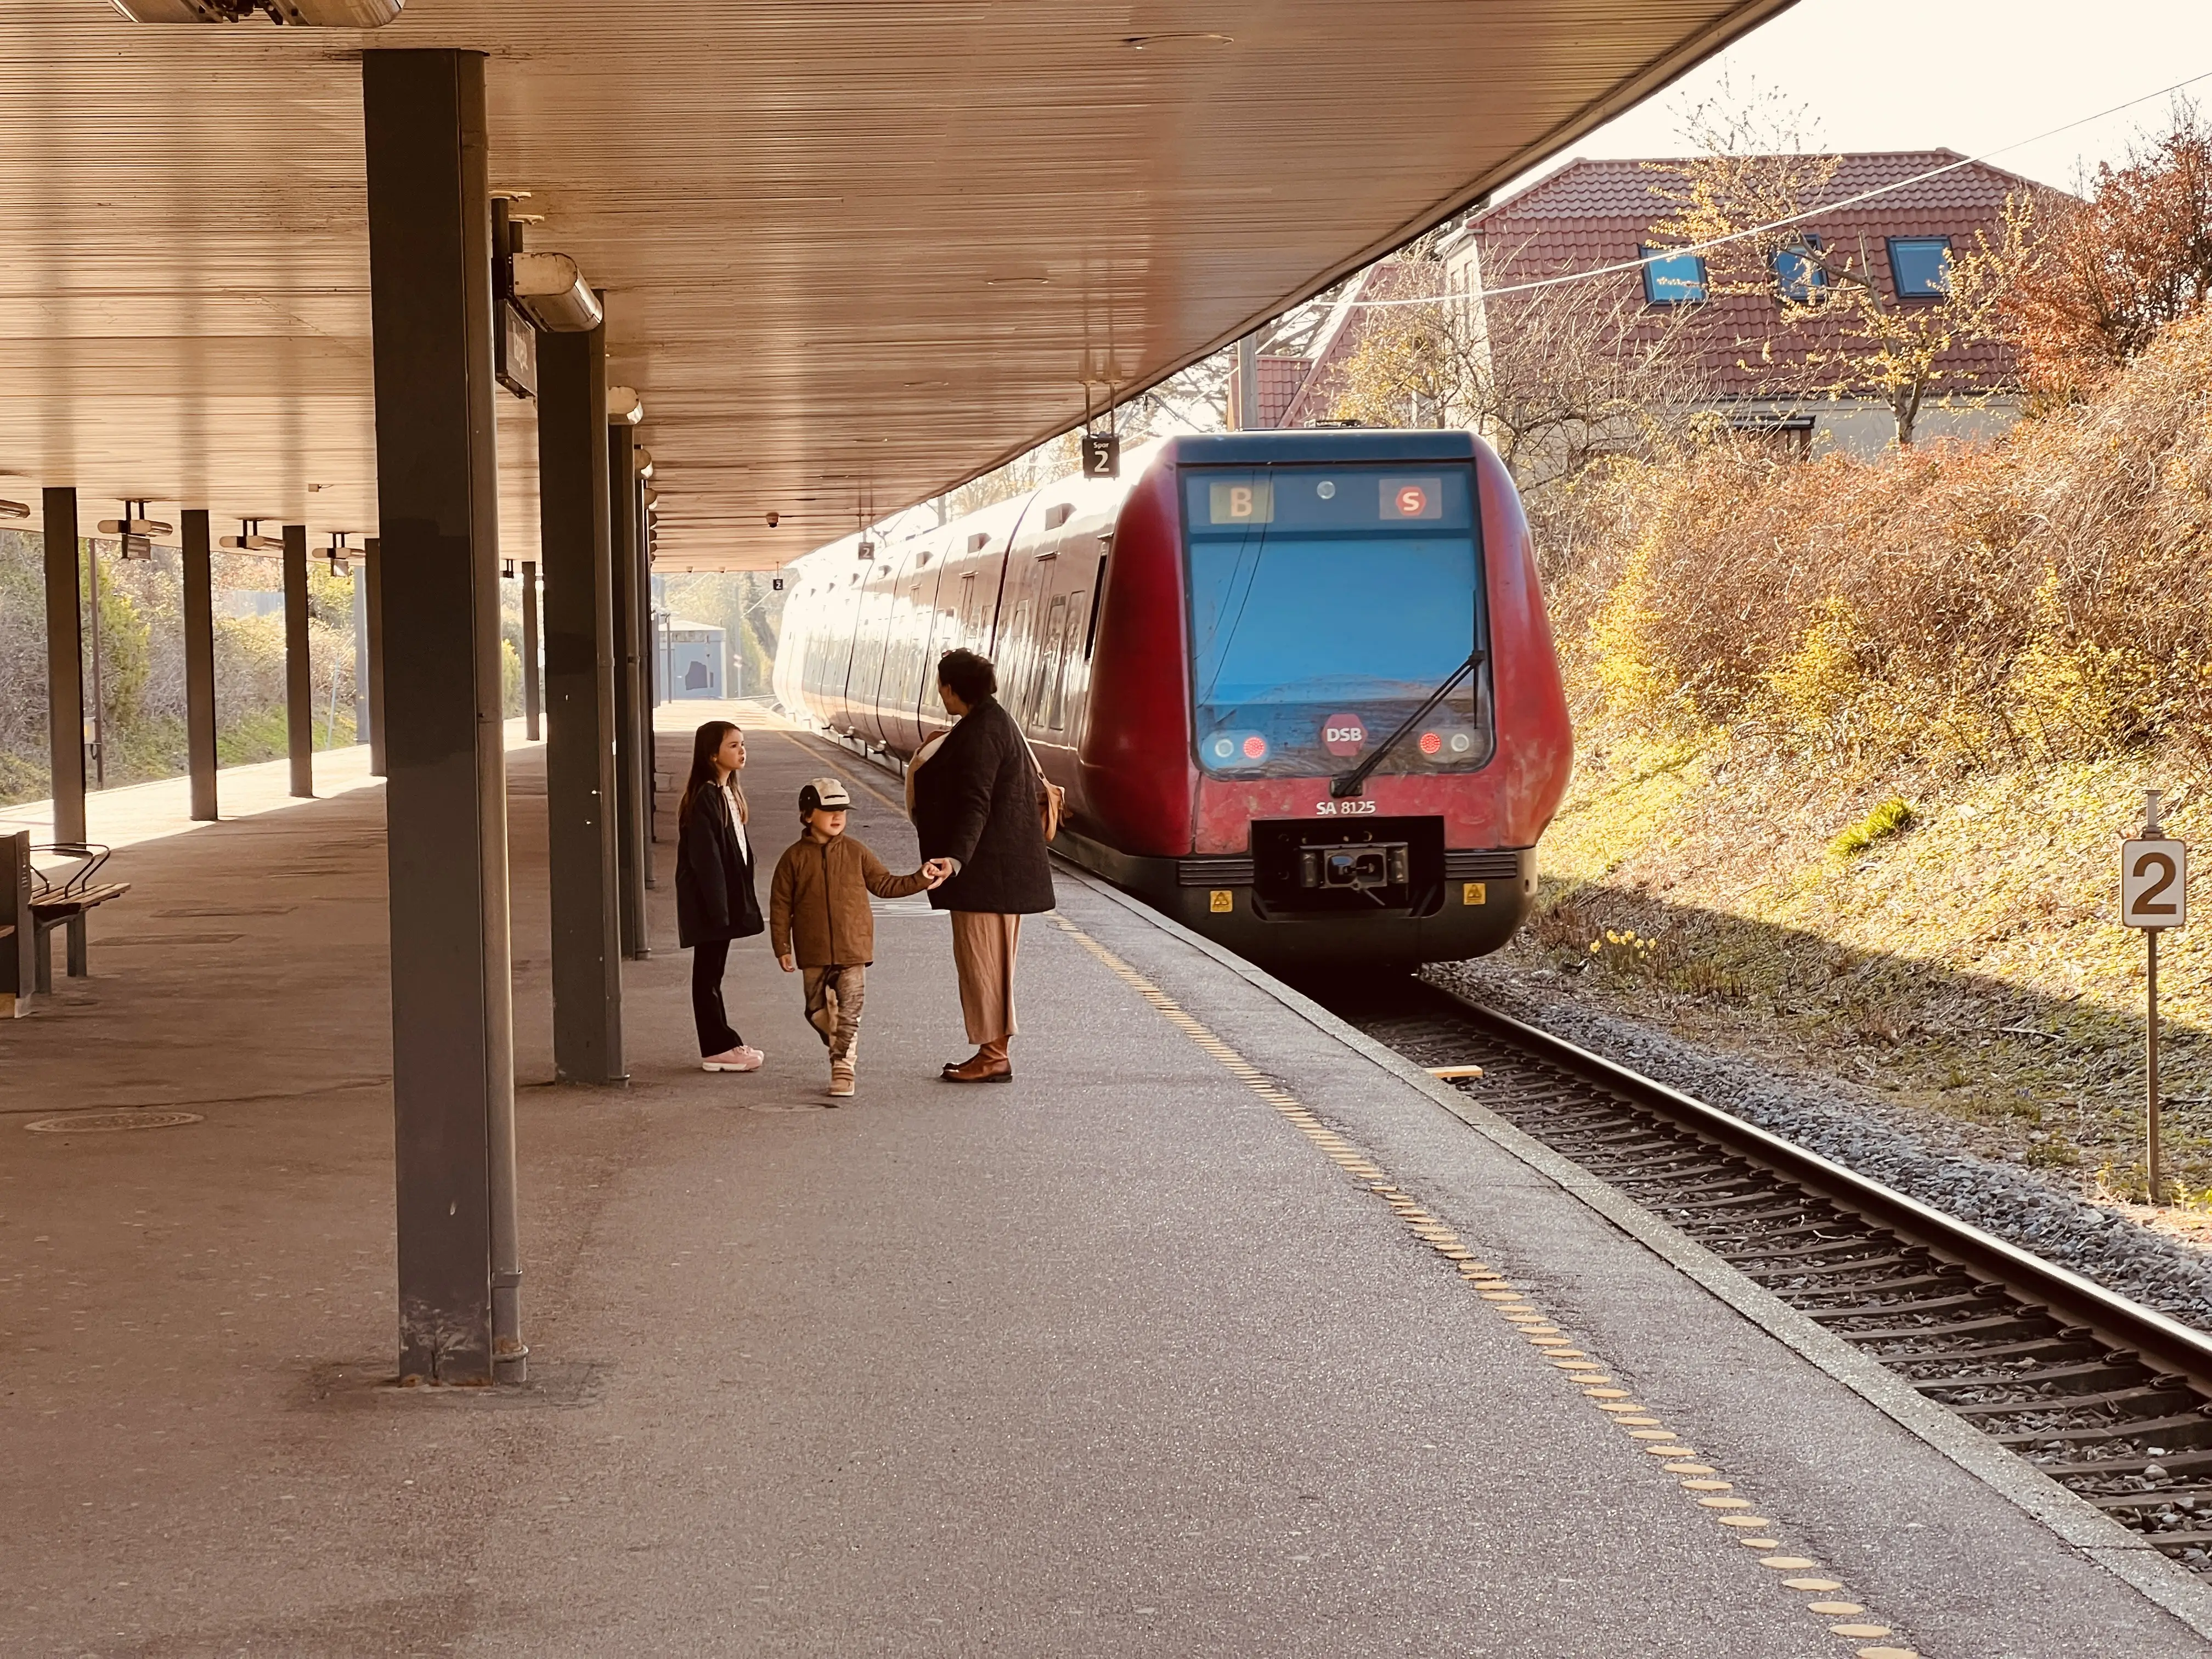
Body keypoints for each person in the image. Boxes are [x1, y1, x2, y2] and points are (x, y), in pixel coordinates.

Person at [909, 648, 1056, 1083]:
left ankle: (993, 1055)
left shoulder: (981, 733)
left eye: (942, 686)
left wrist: (955, 859)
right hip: (999, 871)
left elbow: (976, 802)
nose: (940, 693)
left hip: (986, 874)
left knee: (981, 965)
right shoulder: (992, 721)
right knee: (993, 966)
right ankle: (993, 1050)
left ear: (953, 689)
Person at [769, 777, 946, 1099]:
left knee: (849, 1012)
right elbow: (780, 905)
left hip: (854, 948)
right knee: (816, 1012)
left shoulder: (856, 852)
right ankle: (841, 1042)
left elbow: (885, 885)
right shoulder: (793, 859)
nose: (838, 817)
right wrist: (782, 946)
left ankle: (843, 1068)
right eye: (829, 810)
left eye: (843, 811)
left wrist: (921, 878)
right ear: (808, 815)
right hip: (814, 950)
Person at [675, 720, 765, 1073]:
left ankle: (724, 1043)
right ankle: (717, 1047)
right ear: (712, 755)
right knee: (708, 976)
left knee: (713, 974)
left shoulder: (726, 793)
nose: (742, 751)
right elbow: (706, 861)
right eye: (733, 746)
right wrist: (719, 911)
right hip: (710, 905)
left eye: (742, 744)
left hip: (722, 903)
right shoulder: (705, 800)